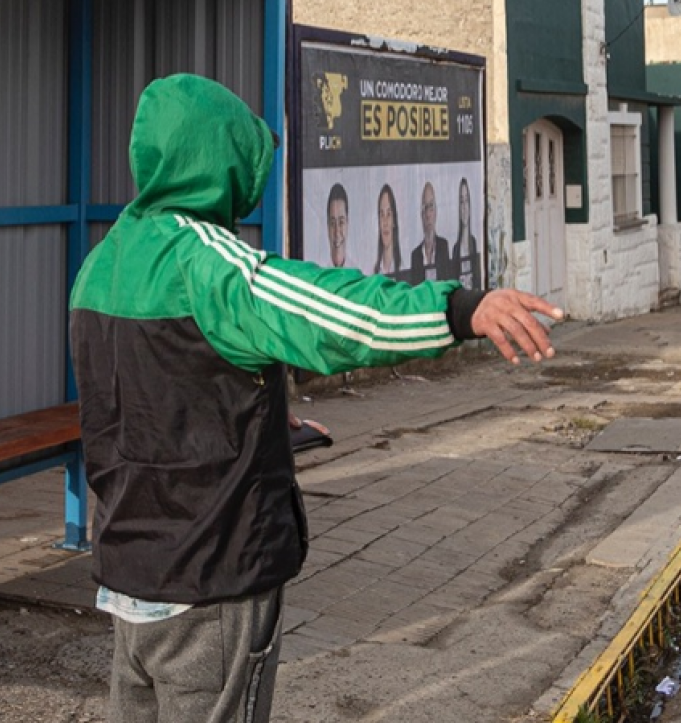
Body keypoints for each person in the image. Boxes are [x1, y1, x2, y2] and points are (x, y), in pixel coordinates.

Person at [69, 75, 562, 723]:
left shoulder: (102, 264)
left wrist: (263, 415)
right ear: (219, 161)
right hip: (210, 576)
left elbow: (150, 399)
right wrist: (463, 308)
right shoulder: (214, 266)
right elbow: (342, 316)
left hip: (130, 574)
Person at [409, 180, 451, 281]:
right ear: (421, 215)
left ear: (436, 211)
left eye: (431, 207)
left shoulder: (443, 246)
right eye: (425, 208)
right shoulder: (415, 255)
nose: (428, 214)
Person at [452, 177, 479, 288]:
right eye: (461, 201)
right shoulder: (456, 248)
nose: (464, 207)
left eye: (466, 200)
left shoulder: (474, 242)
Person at [372, 183, 401, 277]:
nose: (385, 222)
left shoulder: (403, 269)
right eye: (381, 215)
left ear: (394, 221)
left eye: (388, 214)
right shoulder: (373, 274)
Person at [324, 182, 351, 268]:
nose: (337, 232)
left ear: (347, 223)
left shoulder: (359, 274)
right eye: (332, 223)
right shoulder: (319, 274)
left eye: (341, 222)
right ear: (327, 227)